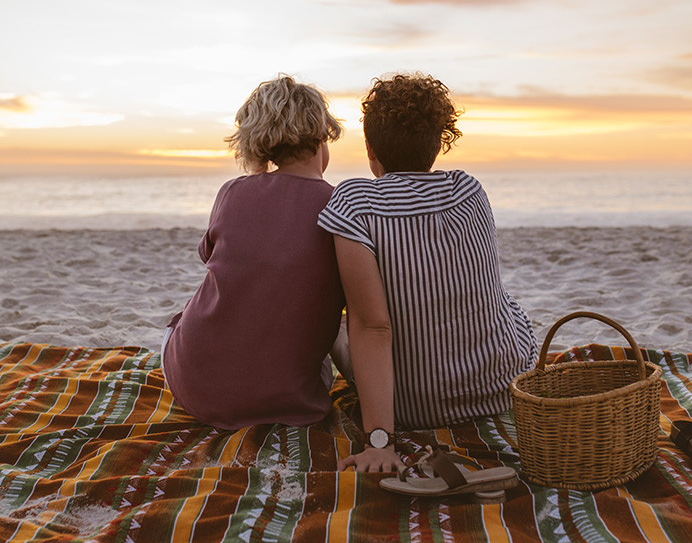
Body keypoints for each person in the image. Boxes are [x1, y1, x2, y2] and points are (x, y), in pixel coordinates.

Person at [318, 73, 537, 472]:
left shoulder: (353, 202)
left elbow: (372, 327)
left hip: (412, 407)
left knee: (332, 320)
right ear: (438, 144)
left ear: (370, 147)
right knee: (508, 304)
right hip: (500, 387)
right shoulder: (469, 190)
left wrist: (380, 442)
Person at [162, 75, 346, 430]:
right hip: (289, 399)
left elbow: (211, 256)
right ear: (323, 135)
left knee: (182, 320)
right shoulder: (339, 204)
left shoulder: (232, 193)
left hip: (195, 385)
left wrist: (258, 174)